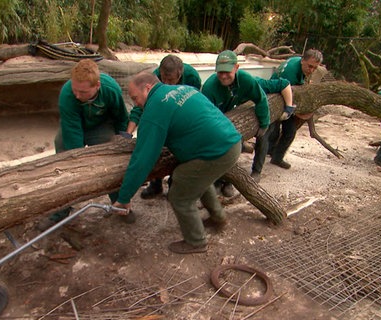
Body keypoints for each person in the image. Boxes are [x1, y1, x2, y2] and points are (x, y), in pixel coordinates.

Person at [113, 72, 242, 254]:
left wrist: (124, 197)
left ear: (148, 88)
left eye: (135, 98)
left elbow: (142, 159)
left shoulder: (155, 109)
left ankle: (196, 241)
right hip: (232, 143)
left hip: (216, 153)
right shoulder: (183, 89)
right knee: (195, 178)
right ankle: (218, 217)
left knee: (180, 194)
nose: (136, 104)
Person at [39, 59, 132, 230]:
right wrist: (78, 164)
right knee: (65, 166)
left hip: (101, 126)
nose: (77, 95)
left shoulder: (111, 89)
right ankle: (60, 212)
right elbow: (72, 132)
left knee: (110, 164)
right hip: (74, 126)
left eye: (82, 92)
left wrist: (122, 144)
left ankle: (119, 204)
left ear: (97, 85)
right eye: (75, 90)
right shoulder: (67, 94)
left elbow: (121, 117)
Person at [126, 54, 202, 199]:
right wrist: (129, 132)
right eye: (163, 79)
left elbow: (195, 100)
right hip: (159, 113)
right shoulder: (153, 78)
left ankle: (175, 183)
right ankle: (155, 183)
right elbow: (140, 107)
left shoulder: (192, 77)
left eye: (170, 80)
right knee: (154, 144)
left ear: (180, 74)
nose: (166, 83)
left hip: (179, 117)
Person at [201, 50, 270, 194]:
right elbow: (205, 118)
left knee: (264, 136)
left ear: (236, 68)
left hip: (240, 114)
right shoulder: (209, 87)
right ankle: (221, 180)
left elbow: (261, 98)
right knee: (223, 146)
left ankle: (256, 171)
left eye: (227, 72)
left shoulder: (246, 79)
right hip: (219, 120)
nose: (224, 76)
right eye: (220, 72)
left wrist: (264, 123)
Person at [267, 49, 323, 169]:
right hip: (276, 97)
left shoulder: (298, 63)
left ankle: (276, 157)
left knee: (289, 131)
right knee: (273, 130)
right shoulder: (290, 73)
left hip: (285, 96)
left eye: (315, 68)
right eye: (310, 66)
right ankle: (269, 154)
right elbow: (289, 93)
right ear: (303, 60)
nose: (311, 70)